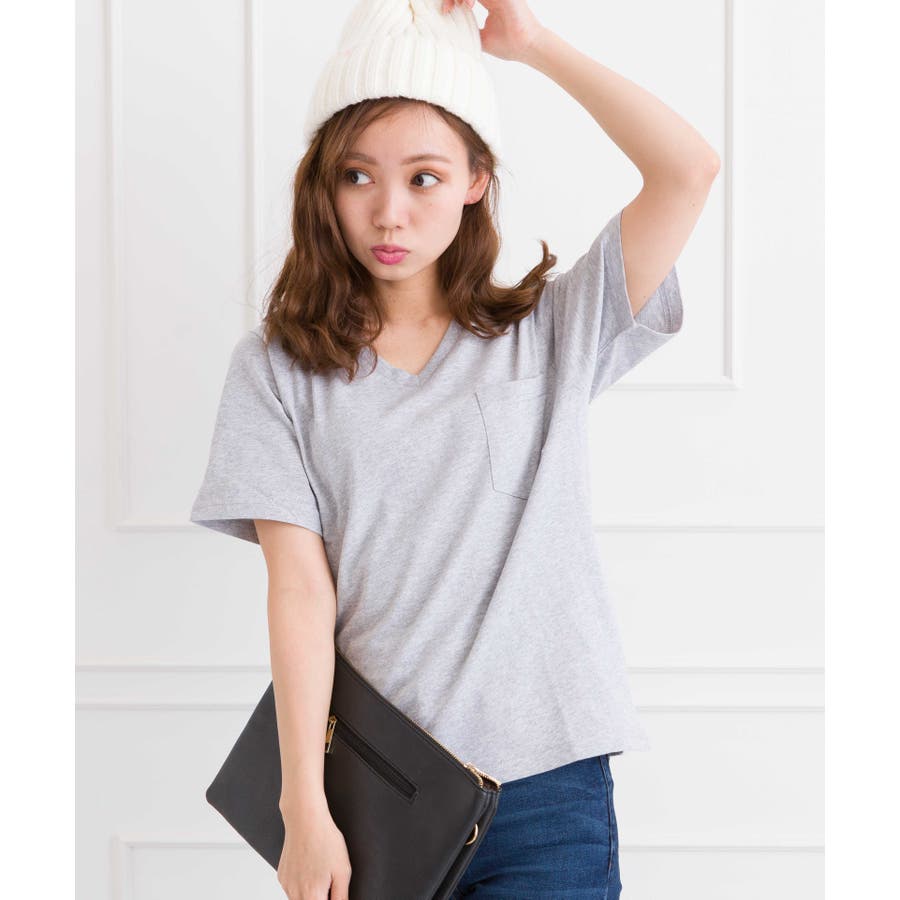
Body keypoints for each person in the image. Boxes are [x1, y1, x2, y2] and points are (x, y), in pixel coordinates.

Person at [190, 0, 719, 897]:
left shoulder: (548, 334)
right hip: (377, 793)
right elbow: (300, 593)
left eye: (425, 177)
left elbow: (688, 170)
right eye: (358, 175)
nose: (388, 212)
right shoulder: (278, 370)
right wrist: (303, 808)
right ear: (325, 185)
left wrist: (534, 45)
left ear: (476, 179)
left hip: (548, 794)